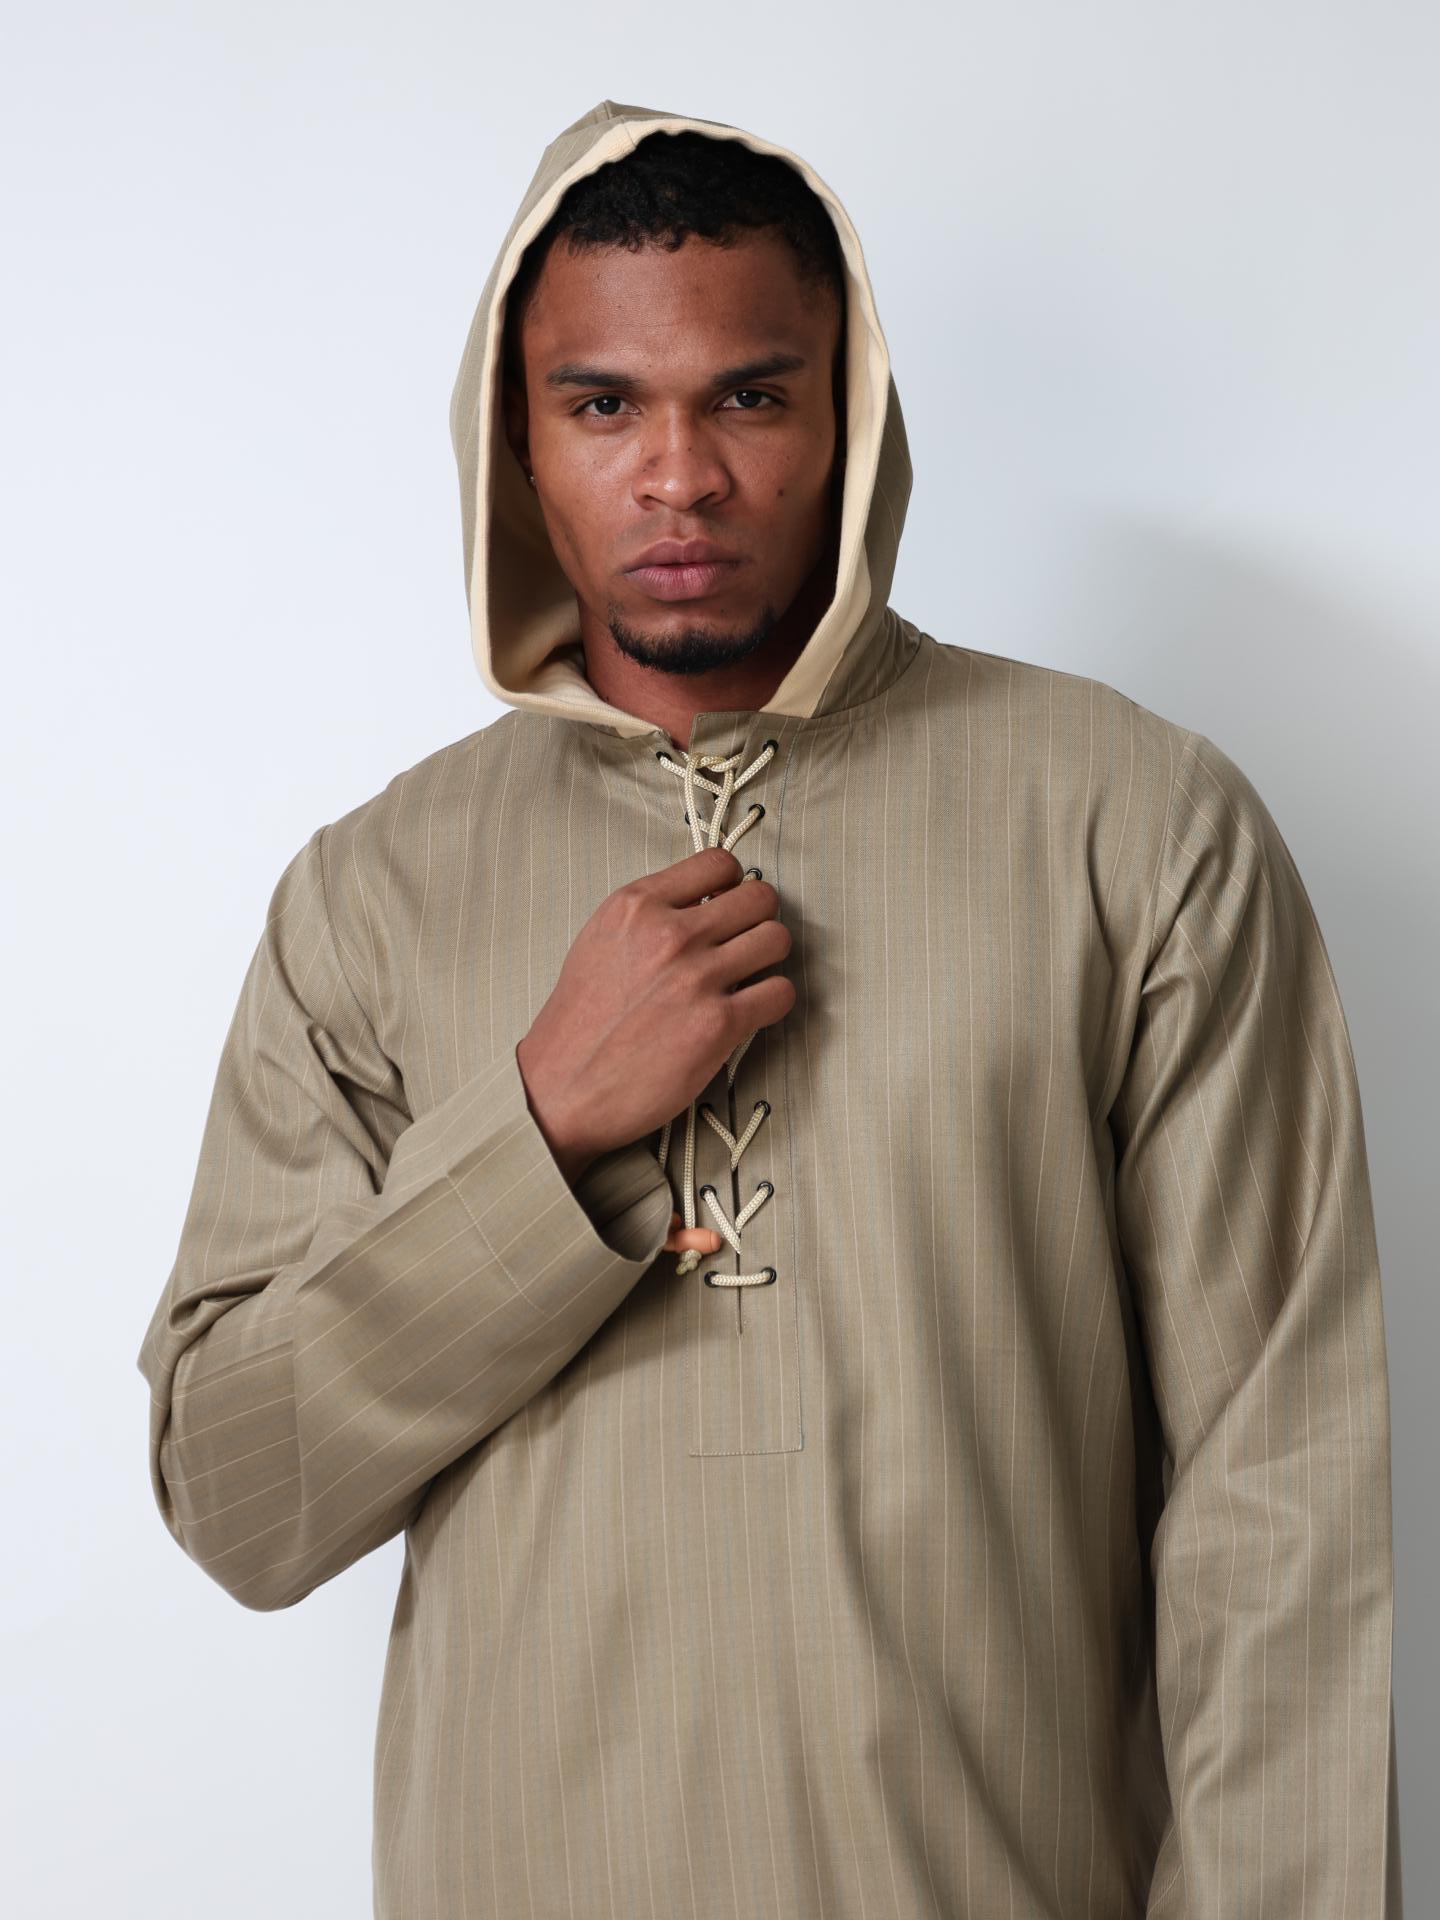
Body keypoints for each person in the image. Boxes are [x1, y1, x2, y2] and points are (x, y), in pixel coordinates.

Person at [135, 98, 1403, 1917]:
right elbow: (242, 1500)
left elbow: (1283, 1503)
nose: (680, 477)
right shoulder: (371, 894)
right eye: (602, 405)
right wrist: (543, 1127)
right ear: (515, 441)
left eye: (748, 395)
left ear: (847, 418)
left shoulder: (1133, 822)